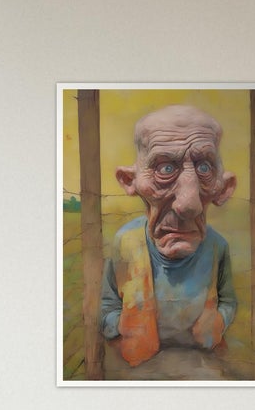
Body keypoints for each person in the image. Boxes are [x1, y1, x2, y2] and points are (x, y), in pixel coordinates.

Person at [100, 105, 239, 369]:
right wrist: (124, 325)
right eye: (165, 169)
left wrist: (218, 321)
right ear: (130, 181)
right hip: (139, 363)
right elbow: (107, 307)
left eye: (204, 168)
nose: (189, 204)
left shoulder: (217, 246)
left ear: (224, 187)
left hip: (201, 362)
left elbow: (229, 300)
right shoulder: (126, 242)